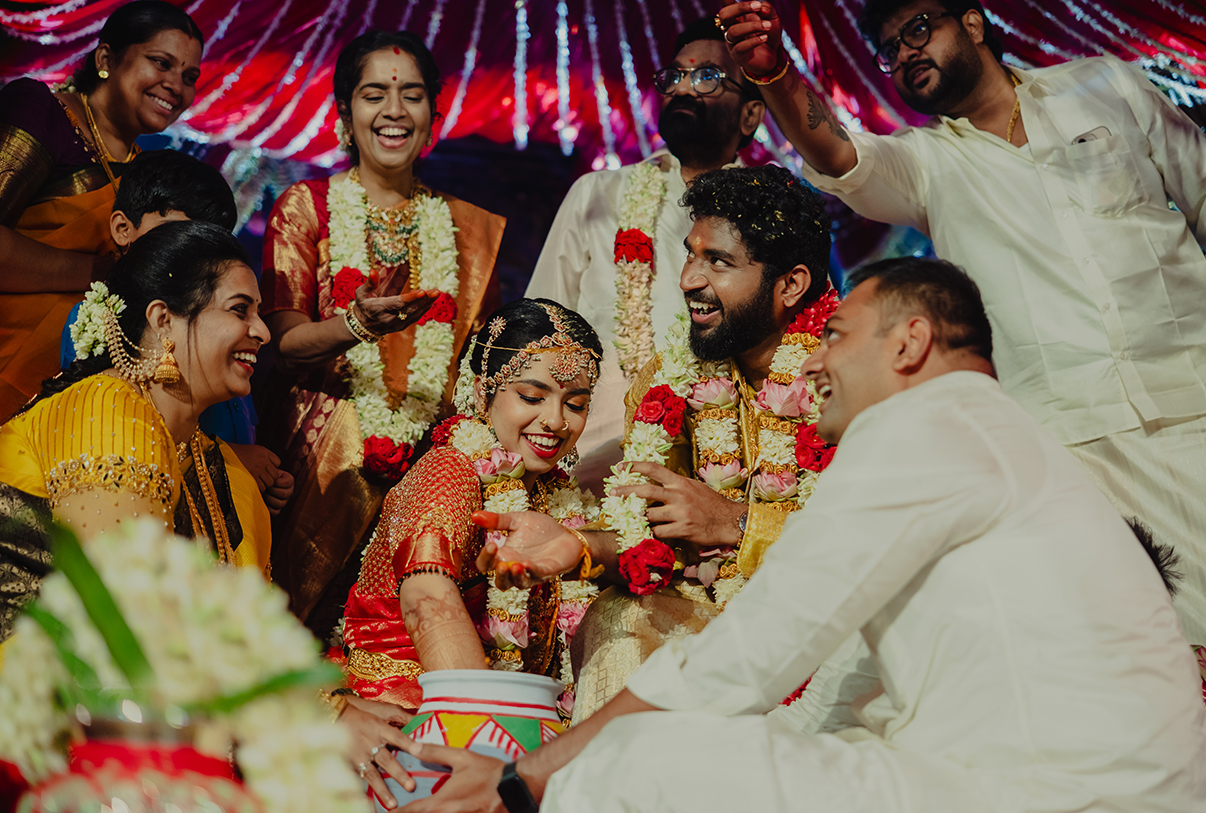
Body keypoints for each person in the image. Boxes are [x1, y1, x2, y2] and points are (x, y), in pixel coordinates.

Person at [409, 257, 1206, 813]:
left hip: (1058, 792)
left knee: (644, 761)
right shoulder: (984, 433)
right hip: (1049, 781)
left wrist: (524, 782)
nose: (815, 362)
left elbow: (749, 652)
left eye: (838, 334)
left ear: (909, 343)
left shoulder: (927, 427)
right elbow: (841, 685)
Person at [715, 0, 1206, 650]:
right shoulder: (927, 164)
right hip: (1076, 447)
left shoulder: (1105, 86)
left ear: (974, 23)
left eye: (918, 30)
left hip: (1202, 400)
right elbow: (839, 153)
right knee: (1159, 654)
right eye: (890, 50)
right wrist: (776, 74)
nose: (905, 54)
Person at [529, 165, 837, 721]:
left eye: (718, 261)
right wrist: (578, 546)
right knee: (621, 619)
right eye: (690, 255)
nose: (689, 280)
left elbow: (881, 544)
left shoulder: (852, 383)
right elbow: (644, 535)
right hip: (711, 615)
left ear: (791, 285)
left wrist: (735, 522)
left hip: (830, 628)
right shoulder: (669, 381)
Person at [259, 30, 505, 638]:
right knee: (297, 643)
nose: (394, 111)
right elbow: (282, 346)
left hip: (429, 476)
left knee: (402, 645)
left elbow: (483, 370)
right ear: (346, 114)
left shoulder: (468, 230)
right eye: (374, 95)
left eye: (412, 95)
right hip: (319, 471)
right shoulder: (306, 207)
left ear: (432, 116)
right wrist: (356, 325)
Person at [0, 220, 274, 641]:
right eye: (240, 310)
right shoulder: (106, 408)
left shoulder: (226, 472)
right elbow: (125, 618)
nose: (263, 332)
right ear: (163, 320)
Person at [525, 16, 764, 488]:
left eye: (708, 77)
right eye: (674, 76)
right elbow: (537, 329)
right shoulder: (598, 195)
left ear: (750, 115)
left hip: (728, 464)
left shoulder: (771, 213)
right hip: (592, 461)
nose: (683, 89)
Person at [340, 298, 602, 729]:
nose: (555, 421)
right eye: (532, 397)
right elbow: (428, 598)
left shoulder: (554, 496)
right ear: (482, 392)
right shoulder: (449, 471)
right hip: (412, 710)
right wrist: (487, 730)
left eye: (575, 404)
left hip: (516, 710)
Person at [57, 149, 294, 515]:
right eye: (181, 234)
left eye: (208, 240)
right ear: (123, 229)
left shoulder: (217, 329)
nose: (194, 254)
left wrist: (254, 485)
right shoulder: (96, 321)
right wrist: (229, 460)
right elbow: (112, 438)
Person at [0, 0, 203, 423]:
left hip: (78, 398)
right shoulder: (43, 113)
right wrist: (101, 272)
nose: (175, 86)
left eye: (189, 77)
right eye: (160, 63)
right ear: (106, 59)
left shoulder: (146, 173)